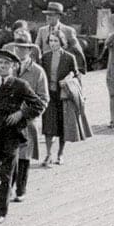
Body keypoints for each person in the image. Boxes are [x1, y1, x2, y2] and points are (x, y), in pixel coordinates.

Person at [0, 49, 45, 224]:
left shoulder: (20, 85)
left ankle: (0, 211)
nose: (2, 66)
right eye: (0, 63)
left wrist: (21, 113)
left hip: (11, 135)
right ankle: (4, 193)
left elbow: (39, 104)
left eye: (6, 64)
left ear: (13, 66)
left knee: (6, 174)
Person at [7, 41, 48, 202]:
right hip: (9, 119)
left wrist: (24, 113)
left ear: (30, 50)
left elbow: (44, 99)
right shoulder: (9, 69)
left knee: (24, 155)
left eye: (23, 48)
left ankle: (20, 189)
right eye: (17, 48)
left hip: (28, 120)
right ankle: (8, 186)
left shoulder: (38, 72)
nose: (19, 51)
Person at [40, 29, 84, 166]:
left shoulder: (69, 57)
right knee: (48, 126)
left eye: (56, 41)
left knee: (62, 126)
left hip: (63, 96)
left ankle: (60, 154)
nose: (53, 44)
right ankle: (48, 154)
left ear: (61, 42)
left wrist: (69, 77)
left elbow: (77, 75)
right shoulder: (45, 57)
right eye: (51, 41)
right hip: (49, 96)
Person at [35, 2, 87, 72]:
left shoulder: (68, 31)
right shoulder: (42, 31)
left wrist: (79, 69)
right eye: (47, 15)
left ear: (58, 17)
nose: (48, 17)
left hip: (62, 69)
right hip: (46, 67)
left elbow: (77, 50)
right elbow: (36, 48)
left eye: (51, 15)